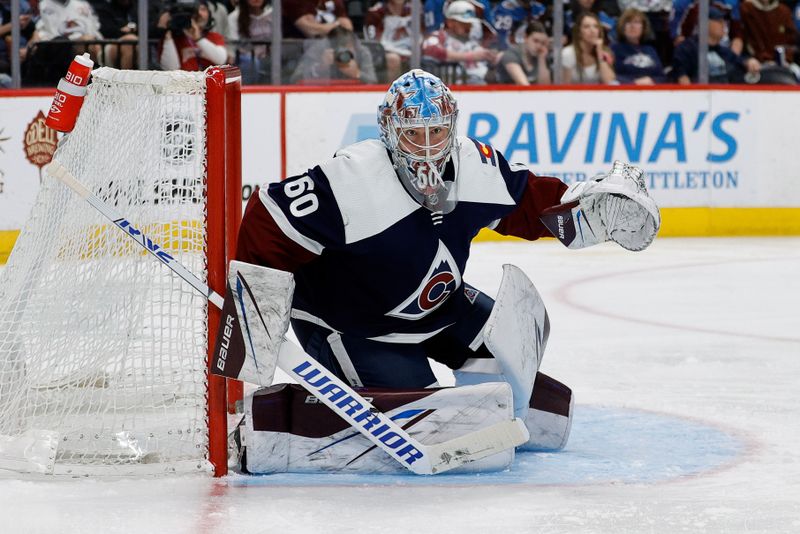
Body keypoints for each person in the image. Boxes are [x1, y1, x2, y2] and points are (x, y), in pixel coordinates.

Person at [234, 69, 660, 472]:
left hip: (440, 307)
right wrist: (255, 319)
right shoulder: (352, 178)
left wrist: (584, 210)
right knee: (433, 422)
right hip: (353, 325)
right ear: (388, 132)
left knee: (530, 390)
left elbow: (527, 200)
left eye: (436, 132)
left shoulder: (474, 164)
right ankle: (278, 424)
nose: (426, 147)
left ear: (451, 127)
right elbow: (266, 217)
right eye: (412, 134)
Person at [672, 4, 760, 83]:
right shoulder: (686, 49)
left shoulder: (722, 51)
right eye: (720, 21)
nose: (724, 25)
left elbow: (739, 61)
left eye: (724, 22)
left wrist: (749, 62)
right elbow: (682, 78)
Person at [422, 0, 498, 84]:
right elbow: (429, 49)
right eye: (464, 23)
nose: (469, 27)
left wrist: (491, 55)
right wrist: (469, 56)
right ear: (450, 22)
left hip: (479, 84)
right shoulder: (441, 35)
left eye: (470, 24)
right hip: (450, 86)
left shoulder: (472, 41)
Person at [289, 25, 377, 84]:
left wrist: (358, 74)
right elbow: (295, 80)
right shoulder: (318, 50)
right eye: (340, 50)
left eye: (349, 49)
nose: (344, 54)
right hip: (321, 95)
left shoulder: (361, 52)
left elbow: (373, 82)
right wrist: (321, 67)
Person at [158, 0, 227, 71]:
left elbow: (221, 60)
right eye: (194, 11)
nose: (199, 14)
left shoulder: (214, 36)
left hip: (208, 79)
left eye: (203, 9)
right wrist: (167, 35)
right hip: (183, 80)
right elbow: (170, 69)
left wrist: (198, 39)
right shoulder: (173, 39)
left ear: (209, 14)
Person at [611, 7, 666, 84]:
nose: (632, 26)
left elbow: (662, 76)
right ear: (622, 27)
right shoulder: (614, 49)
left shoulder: (650, 50)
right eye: (628, 22)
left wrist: (652, 81)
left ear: (643, 28)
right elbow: (611, 77)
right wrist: (634, 82)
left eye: (637, 22)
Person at [364, 0, 414, 81]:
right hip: (385, 50)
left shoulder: (414, 9)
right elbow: (373, 41)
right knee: (393, 59)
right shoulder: (376, 12)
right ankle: (392, 91)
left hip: (410, 48)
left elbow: (422, 33)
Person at [561, 11, 616, 84]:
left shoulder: (605, 52)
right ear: (579, 32)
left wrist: (599, 52)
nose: (592, 30)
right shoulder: (567, 53)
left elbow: (609, 82)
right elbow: (563, 88)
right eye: (586, 27)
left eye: (596, 27)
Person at [227, 0, 271, 84]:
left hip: (269, 57)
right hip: (244, 59)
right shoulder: (234, 16)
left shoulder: (272, 14)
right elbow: (233, 45)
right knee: (252, 63)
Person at [495, 20, 551, 84]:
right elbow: (523, 86)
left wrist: (542, 60)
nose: (539, 46)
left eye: (543, 43)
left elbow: (545, 88)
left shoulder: (541, 55)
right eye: (535, 41)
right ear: (526, 38)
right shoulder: (511, 55)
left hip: (530, 93)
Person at [94, 0, 138, 69]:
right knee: (129, 40)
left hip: (140, 47)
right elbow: (106, 31)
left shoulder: (137, 8)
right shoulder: (105, 8)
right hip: (109, 45)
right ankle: (124, 79)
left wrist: (131, 29)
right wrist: (123, 31)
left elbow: (151, 29)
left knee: (134, 41)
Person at [282, 0, 352, 40]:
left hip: (336, 45)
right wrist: (338, 26)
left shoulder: (335, 1)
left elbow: (347, 27)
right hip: (300, 49)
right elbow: (313, 31)